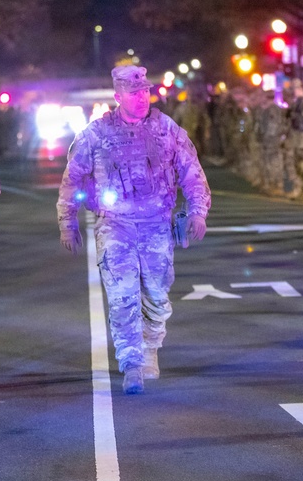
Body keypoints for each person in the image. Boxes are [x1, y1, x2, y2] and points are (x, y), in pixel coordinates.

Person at [57, 65, 211, 395]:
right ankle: (132, 363)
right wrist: (67, 222)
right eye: (133, 93)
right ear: (118, 96)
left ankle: (151, 346)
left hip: (157, 224)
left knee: (156, 293)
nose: (141, 98)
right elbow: (72, 179)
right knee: (123, 295)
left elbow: (192, 174)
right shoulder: (96, 133)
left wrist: (198, 212)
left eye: (145, 92)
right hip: (116, 225)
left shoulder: (166, 129)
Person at [284, 80, 303, 201]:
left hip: (302, 136)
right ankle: (301, 188)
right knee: (297, 164)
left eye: (294, 89)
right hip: (295, 136)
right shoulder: (296, 102)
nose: (292, 92)